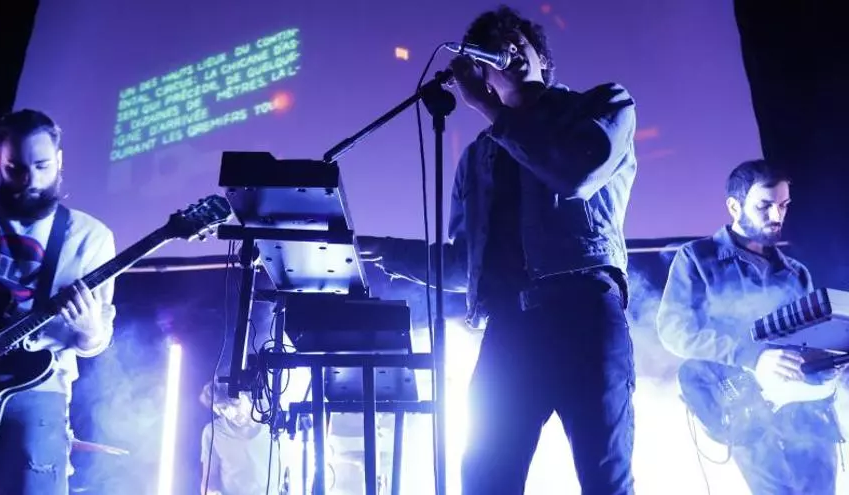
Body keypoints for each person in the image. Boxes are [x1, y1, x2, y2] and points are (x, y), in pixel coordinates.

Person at [359, 6, 638, 493]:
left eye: (517, 42)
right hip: (510, 327)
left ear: (541, 58)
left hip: (585, 314)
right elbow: (465, 265)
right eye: (492, 50)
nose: (508, 51)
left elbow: (576, 174)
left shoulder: (603, 105)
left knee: (605, 478)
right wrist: (384, 250)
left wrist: (494, 111)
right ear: (481, 74)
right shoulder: (478, 157)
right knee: (485, 479)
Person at [657, 159, 842, 494]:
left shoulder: (796, 272)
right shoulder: (697, 258)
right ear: (734, 206)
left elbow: (811, 339)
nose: (776, 215)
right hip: (745, 406)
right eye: (764, 206)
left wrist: (828, 361)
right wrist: (751, 355)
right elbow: (675, 330)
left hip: (806, 408)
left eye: (783, 205)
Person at [0, 109, 116, 494]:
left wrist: (89, 329)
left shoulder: (90, 237)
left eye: (42, 166)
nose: (30, 181)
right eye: (15, 168)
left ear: (59, 161)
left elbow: (95, 342)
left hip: (38, 389)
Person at [199, 380, 283, 495]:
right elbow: (209, 479)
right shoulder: (212, 432)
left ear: (247, 394)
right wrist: (212, 492)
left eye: (236, 403)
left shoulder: (274, 422)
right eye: (224, 408)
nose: (233, 413)